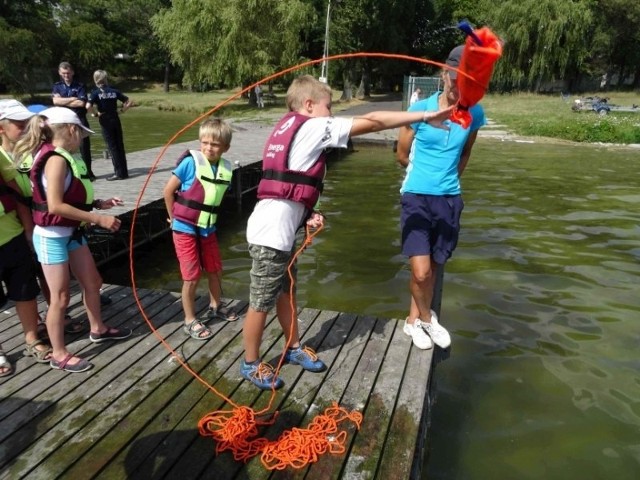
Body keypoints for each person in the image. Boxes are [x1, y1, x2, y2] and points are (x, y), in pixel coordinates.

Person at [241, 74, 454, 390]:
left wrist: (308, 213)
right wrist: (425, 114)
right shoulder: (312, 126)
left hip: (277, 231)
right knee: (260, 301)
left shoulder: (287, 125)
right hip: (269, 238)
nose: (331, 113)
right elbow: (373, 120)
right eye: (328, 106)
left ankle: (293, 347)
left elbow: (287, 184)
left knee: (287, 291)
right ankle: (251, 363)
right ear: (309, 105)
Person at [14, 106, 131, 373]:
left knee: (93, 282)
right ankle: (59, 353)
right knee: (61, 297)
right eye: (81, 134)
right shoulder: (55, 159)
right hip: (52, 237)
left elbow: (68, 197)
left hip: (71, 233)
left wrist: (99, 203)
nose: (81, 140)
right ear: (71, 130)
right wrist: (99, 220)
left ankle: (98, 328)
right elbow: (54, 205)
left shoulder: (59, 156)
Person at [396, 45, 486, 351]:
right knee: (420, 270)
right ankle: (427, 319)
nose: (458, 84)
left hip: (449, 199)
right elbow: (401, 154)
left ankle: (412, 322)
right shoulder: (421, 111)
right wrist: (425, 176)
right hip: (416, 196)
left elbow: (467, 151)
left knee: (433, 267)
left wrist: (449, 180)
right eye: (454, 76)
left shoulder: (475, 113)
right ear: (443, 73)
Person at [163, 118, 239, 341]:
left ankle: (216, 305)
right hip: (184, 227)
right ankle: (189, 319)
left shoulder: (226, 168)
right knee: (192, 276)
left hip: (208, 229)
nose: (209, 148)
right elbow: (168, 192)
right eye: (205, 142)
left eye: (215, 144)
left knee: (215, 269)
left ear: (225, 147)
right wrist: (173, 218)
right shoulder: (190, 164)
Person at [0, 100, 54, 371]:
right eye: (19, 124)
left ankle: (32, 337)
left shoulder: (15, 156)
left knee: (24, 289)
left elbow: (18, 196)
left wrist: (29, 234)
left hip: (12, 234)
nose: (25, 129)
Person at [86, 70, 133, 181]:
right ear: (106, 79)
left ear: (95, 79)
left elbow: (88, 106)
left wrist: (94, 114)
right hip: (115, 118)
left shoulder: (95, 93)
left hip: (105, 119)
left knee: (112, 147)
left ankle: (118, 173)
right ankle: (124, 172)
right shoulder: (114, 91)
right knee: (119, 145)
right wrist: (122, 111)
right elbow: (128, 101)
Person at [52, 62, 95, 181]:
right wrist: (72, 99)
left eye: (68, 73)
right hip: (64, 120)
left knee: (84, 147)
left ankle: (88, 172)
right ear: (60, 73)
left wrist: (63, 100)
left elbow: (81, 103)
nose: (66, 75)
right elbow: (55, 102)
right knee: (65, 146)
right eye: (63, 73)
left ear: (72, 72)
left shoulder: (80, 85)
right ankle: (70, 173)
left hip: (79, 119)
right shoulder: (57, 86)